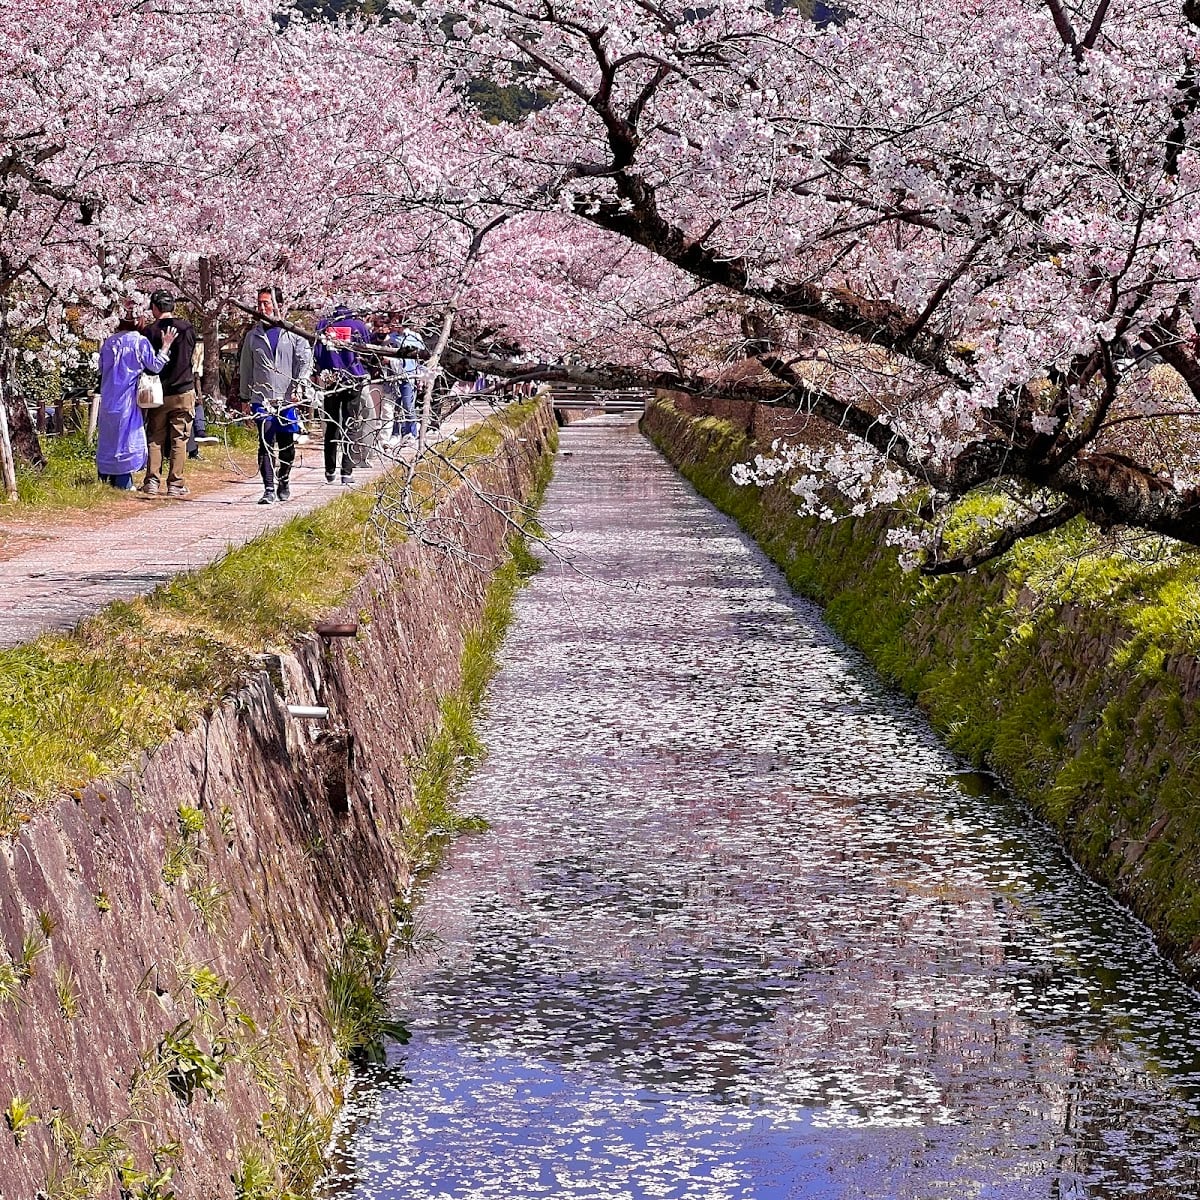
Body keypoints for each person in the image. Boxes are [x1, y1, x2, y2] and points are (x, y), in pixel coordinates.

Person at [238, 286, 313, 505]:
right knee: (265, 443)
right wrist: (244, 398)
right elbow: (246, 369)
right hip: (261, 399)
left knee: (286, 444)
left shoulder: (292, 333)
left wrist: (300, 386)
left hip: (287, 399)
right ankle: (268, 489)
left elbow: (304, 361)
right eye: (259, 303)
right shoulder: (253, 336)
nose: (262, 308)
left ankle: (284, 479)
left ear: (278, 305)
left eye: (266, 303)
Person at [96, 304, 176, 490]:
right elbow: (155, 366)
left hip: (108, 398)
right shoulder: (139, 342)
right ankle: (124, 482)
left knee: (108, 439)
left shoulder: (109, 342)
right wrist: (165, 347)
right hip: (127, 399)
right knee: (126, 440)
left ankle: (104, 478)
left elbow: (101, 368)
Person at [141, 290, 197, 497]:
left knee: (155, 437)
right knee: (179, 439)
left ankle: (152, 481)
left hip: (158, 392)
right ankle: (175, 484)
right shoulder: (186, 328)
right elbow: (190, 356)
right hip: (183, 390)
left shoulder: (149, 331)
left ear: (155, 307)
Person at [314, 303, 372, 484]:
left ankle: (329, 470)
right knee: (350, 424)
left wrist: (323, 369)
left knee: (331, 425)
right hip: (353, 378)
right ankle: (346, 471)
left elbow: (317, 353)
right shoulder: (358, 325)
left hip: (330, 379)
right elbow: (368, 351)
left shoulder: (323, 324)